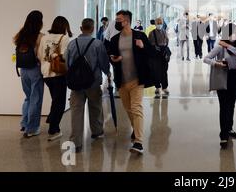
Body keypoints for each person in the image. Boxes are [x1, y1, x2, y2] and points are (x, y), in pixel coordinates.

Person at [109, 10, 155, 154]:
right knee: (129, 109)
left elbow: (152, 53)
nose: (117, 22)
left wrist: (143, 46)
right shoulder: (115, 39)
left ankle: (139, 142)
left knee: (136, 108)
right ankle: (136, 129)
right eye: (116, 19)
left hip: (137, 79)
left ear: (127, 21)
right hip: (122, 80)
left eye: (119, 20)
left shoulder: (140, 35)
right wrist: (113, 59)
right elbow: (111, 55)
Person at [66, 18, 110, 153]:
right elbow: (103, 62)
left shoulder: (72, 44)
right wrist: (108, 73)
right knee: (95, 107)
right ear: (92, 29)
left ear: (81, 28)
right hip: (93, 82)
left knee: (76, 111)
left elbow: (67, 63)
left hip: (76, 84)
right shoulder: (97, 44)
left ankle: (76, 142)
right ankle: (96, 131)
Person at [204, 23, 236, 149]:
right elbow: (206, 59)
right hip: (223, 77)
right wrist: (216, 63)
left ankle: (229, 127)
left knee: (232, 103)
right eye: (234, 33)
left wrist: (228, 46)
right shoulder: (219, 47)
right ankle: (223, 135)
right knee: (224, 105)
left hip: (234, 76)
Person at [37, 16, 72, 141]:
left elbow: (40, 55)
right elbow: (65, 56)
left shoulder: (44, 37)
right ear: (64, 26)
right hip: (58, 73)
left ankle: (52, 121)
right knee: (60, 102)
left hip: (45, 73)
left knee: (55, 99)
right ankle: (53, 129)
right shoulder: (64, 38)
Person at [14, 10, 45, 138]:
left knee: (28, 97)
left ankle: (24, 123)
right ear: (39, 22)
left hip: (23, 70)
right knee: (35, 99)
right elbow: (41, 55)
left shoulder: (20, 35)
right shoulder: (40, 36)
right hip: (35, 69)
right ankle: (32, 128)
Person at [148, 17, 170, 98]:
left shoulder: (164, 32)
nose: (159, 25)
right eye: (158, 23)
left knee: (164, 71)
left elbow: (167, 41)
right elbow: (149, 44)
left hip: (163, 54)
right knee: (155, 71)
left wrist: (165, 48)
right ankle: (157, 87)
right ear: (155, 24)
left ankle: (165, 87)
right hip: (155, 55)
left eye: (161, 23)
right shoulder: (151, 33)